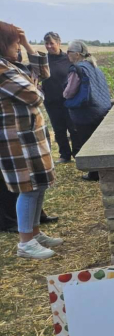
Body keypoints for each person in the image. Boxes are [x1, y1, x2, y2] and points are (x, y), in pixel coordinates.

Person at [0, 22, 64, 259]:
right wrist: (35, 86)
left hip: (30, 137)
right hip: (17, 141)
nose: (18, 48)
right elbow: (34, 95)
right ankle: (25, 242)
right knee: (28, 189)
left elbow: (43, 74)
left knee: (39, 186)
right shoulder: (2, 70)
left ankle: (35, 232)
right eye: (15, 44)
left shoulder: (10, 64)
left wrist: (27, 43)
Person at [64, 40, 111, 181]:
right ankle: (103, 171)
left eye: (69, 52)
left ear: (77, 54)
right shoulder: (94, 66)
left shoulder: (77, 69)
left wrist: (63, 94)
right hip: (100, 109)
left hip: (86, 112)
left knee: (87, 142)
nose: (67, 54)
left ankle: (94, 173)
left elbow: (69, 92)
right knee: (99, 143)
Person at [42, 31, 75, 163]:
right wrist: (36, 85)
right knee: (59, 130)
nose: (49, 46)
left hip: (68, 101)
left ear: (59, 43)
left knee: (73, 128)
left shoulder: (68, 59)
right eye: (46, 43)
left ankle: (78, 154)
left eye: (52, 43)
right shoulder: (42, 60)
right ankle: (64, 155)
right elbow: (31, 74)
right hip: (51, 101)